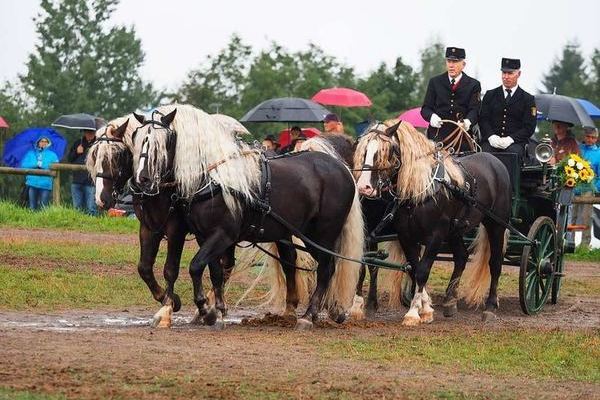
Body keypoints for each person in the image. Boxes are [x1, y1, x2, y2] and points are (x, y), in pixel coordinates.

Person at [421, 47, 481, 151]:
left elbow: (475, 110)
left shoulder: (473, 84)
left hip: (462, 136)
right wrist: (432, 117)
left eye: (455, 62)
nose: (451, 65)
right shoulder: (435, 82)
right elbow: (425, 109)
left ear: (463, 64)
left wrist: (467, 122)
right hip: (437, 135)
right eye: (449, 61)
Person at [479, 58, 537, 159]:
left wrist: (510, 139)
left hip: (515, 144)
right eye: (504, 73)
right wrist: (491, 136)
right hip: (491, 142)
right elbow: (483, 119)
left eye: (510, 73)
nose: (506, 77)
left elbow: (529, 127)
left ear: (518, 74)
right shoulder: (490, 95)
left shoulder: (528, 99)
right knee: (483, 156)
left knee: (512, 156)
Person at [573, 127, 600, 248]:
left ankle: (584, 245)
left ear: (596, 139)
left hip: (589, 189)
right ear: (585, 137)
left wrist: (595, 188)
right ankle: (569, 242)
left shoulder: (599, 154)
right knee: (571, 217)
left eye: (593, 137)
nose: (590, 139)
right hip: (574, 187)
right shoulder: (579, 149)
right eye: (588, 137)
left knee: (586, 217)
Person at [20, 136, 59, 210]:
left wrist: (43, 165)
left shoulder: (53, 155)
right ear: (38, 142)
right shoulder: (31, 153)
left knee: (44, 207)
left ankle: (43, 221)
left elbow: (56, 167)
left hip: (45, 184)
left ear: (48, 143)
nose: (43, 143)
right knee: (32, 207)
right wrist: (35, 164)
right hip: (32, 183)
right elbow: (24, 165)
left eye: (45, 141)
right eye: (42, 141)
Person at [67, 129, 98, 215]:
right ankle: (78, 227)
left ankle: (92, 227)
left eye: (91, 132)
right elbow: (70, 159)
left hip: (91, 181)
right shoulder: (78, 143)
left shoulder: (98, 144)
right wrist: (76, 152)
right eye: (87, 132)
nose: (89, 134)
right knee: (77, 208)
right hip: (77, 180)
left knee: (91, 208)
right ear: (84, 132)